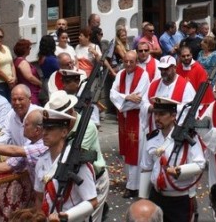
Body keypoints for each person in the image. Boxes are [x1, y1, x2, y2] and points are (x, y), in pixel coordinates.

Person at [139, 97, 205, 222]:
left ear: (173, 116)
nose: (157, 118)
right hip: (156, 197)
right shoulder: (151, 138)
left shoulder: (188, 137)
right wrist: (143, 198)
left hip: (179, 200)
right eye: (155, 114)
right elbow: (146, 168)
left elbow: (200, 164)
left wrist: (179, 171)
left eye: (162, 114)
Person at [45, 92, 109, 222]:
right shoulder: (58, 134)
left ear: (70, 111)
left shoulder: (88, 127)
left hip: (94, 178)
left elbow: (74, 157)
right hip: (70, 180)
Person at [34, 109, 99, 222]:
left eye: (50, 129)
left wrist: (66, 216)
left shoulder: (76, 163)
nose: (44, 133)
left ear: (64, 132)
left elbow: (92, 202)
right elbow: (40, 198)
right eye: (44, 128)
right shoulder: (41, 161)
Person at [110, 50, 150, 198]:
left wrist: (122, 101)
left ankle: (135, 186)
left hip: (137, 119)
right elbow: (112, 94)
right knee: (127, 151)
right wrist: (126, 97)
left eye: (131, 62)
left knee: (136, 152)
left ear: (136, 62)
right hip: (124, 119)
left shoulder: (143, 75)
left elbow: (138, 100)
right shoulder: (120, 74)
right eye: (125, 61)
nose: (128, 64)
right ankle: (130, 182)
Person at [140, 56, 195, 134]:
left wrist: (167, 109)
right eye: (161, 69)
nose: (163, 72)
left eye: (166, 69)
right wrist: (151, 108)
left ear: (174, 68)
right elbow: (143, 103)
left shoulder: (185, 86)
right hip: (156, 131)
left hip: (174, 133)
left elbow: (189, 109)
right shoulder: (153, 84)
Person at [13, 39, 42, 105]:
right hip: (30, 90)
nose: (30, 50)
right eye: (29, 48)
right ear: (25, 49)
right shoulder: (22, 62)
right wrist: (40, 83)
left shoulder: (17, 60)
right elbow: (29, 77)